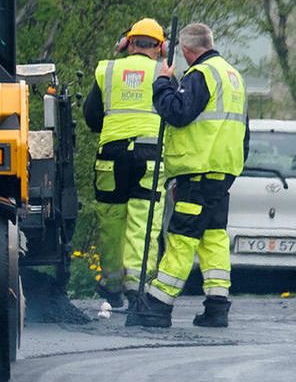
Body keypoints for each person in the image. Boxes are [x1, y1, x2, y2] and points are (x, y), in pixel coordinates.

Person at [127, 22, 249, 329]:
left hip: (198, 171)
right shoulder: (233, 77)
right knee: (213, 238)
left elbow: (178, 113)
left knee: (182, 236)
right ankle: (217, 306)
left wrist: (163, 84)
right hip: (222, 173)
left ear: (185, 50)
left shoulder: (201, 75)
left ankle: (158, 305)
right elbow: (244, 133)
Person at [82, 18, 166, 309]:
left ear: (127, 43)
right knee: (142, 221)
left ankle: (113, 284)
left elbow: (92, 116)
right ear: (161, 47)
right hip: (149, 157)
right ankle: (137, 286)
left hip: (111, 156)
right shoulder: (163, 72)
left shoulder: (107, 69)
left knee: (111, 221)